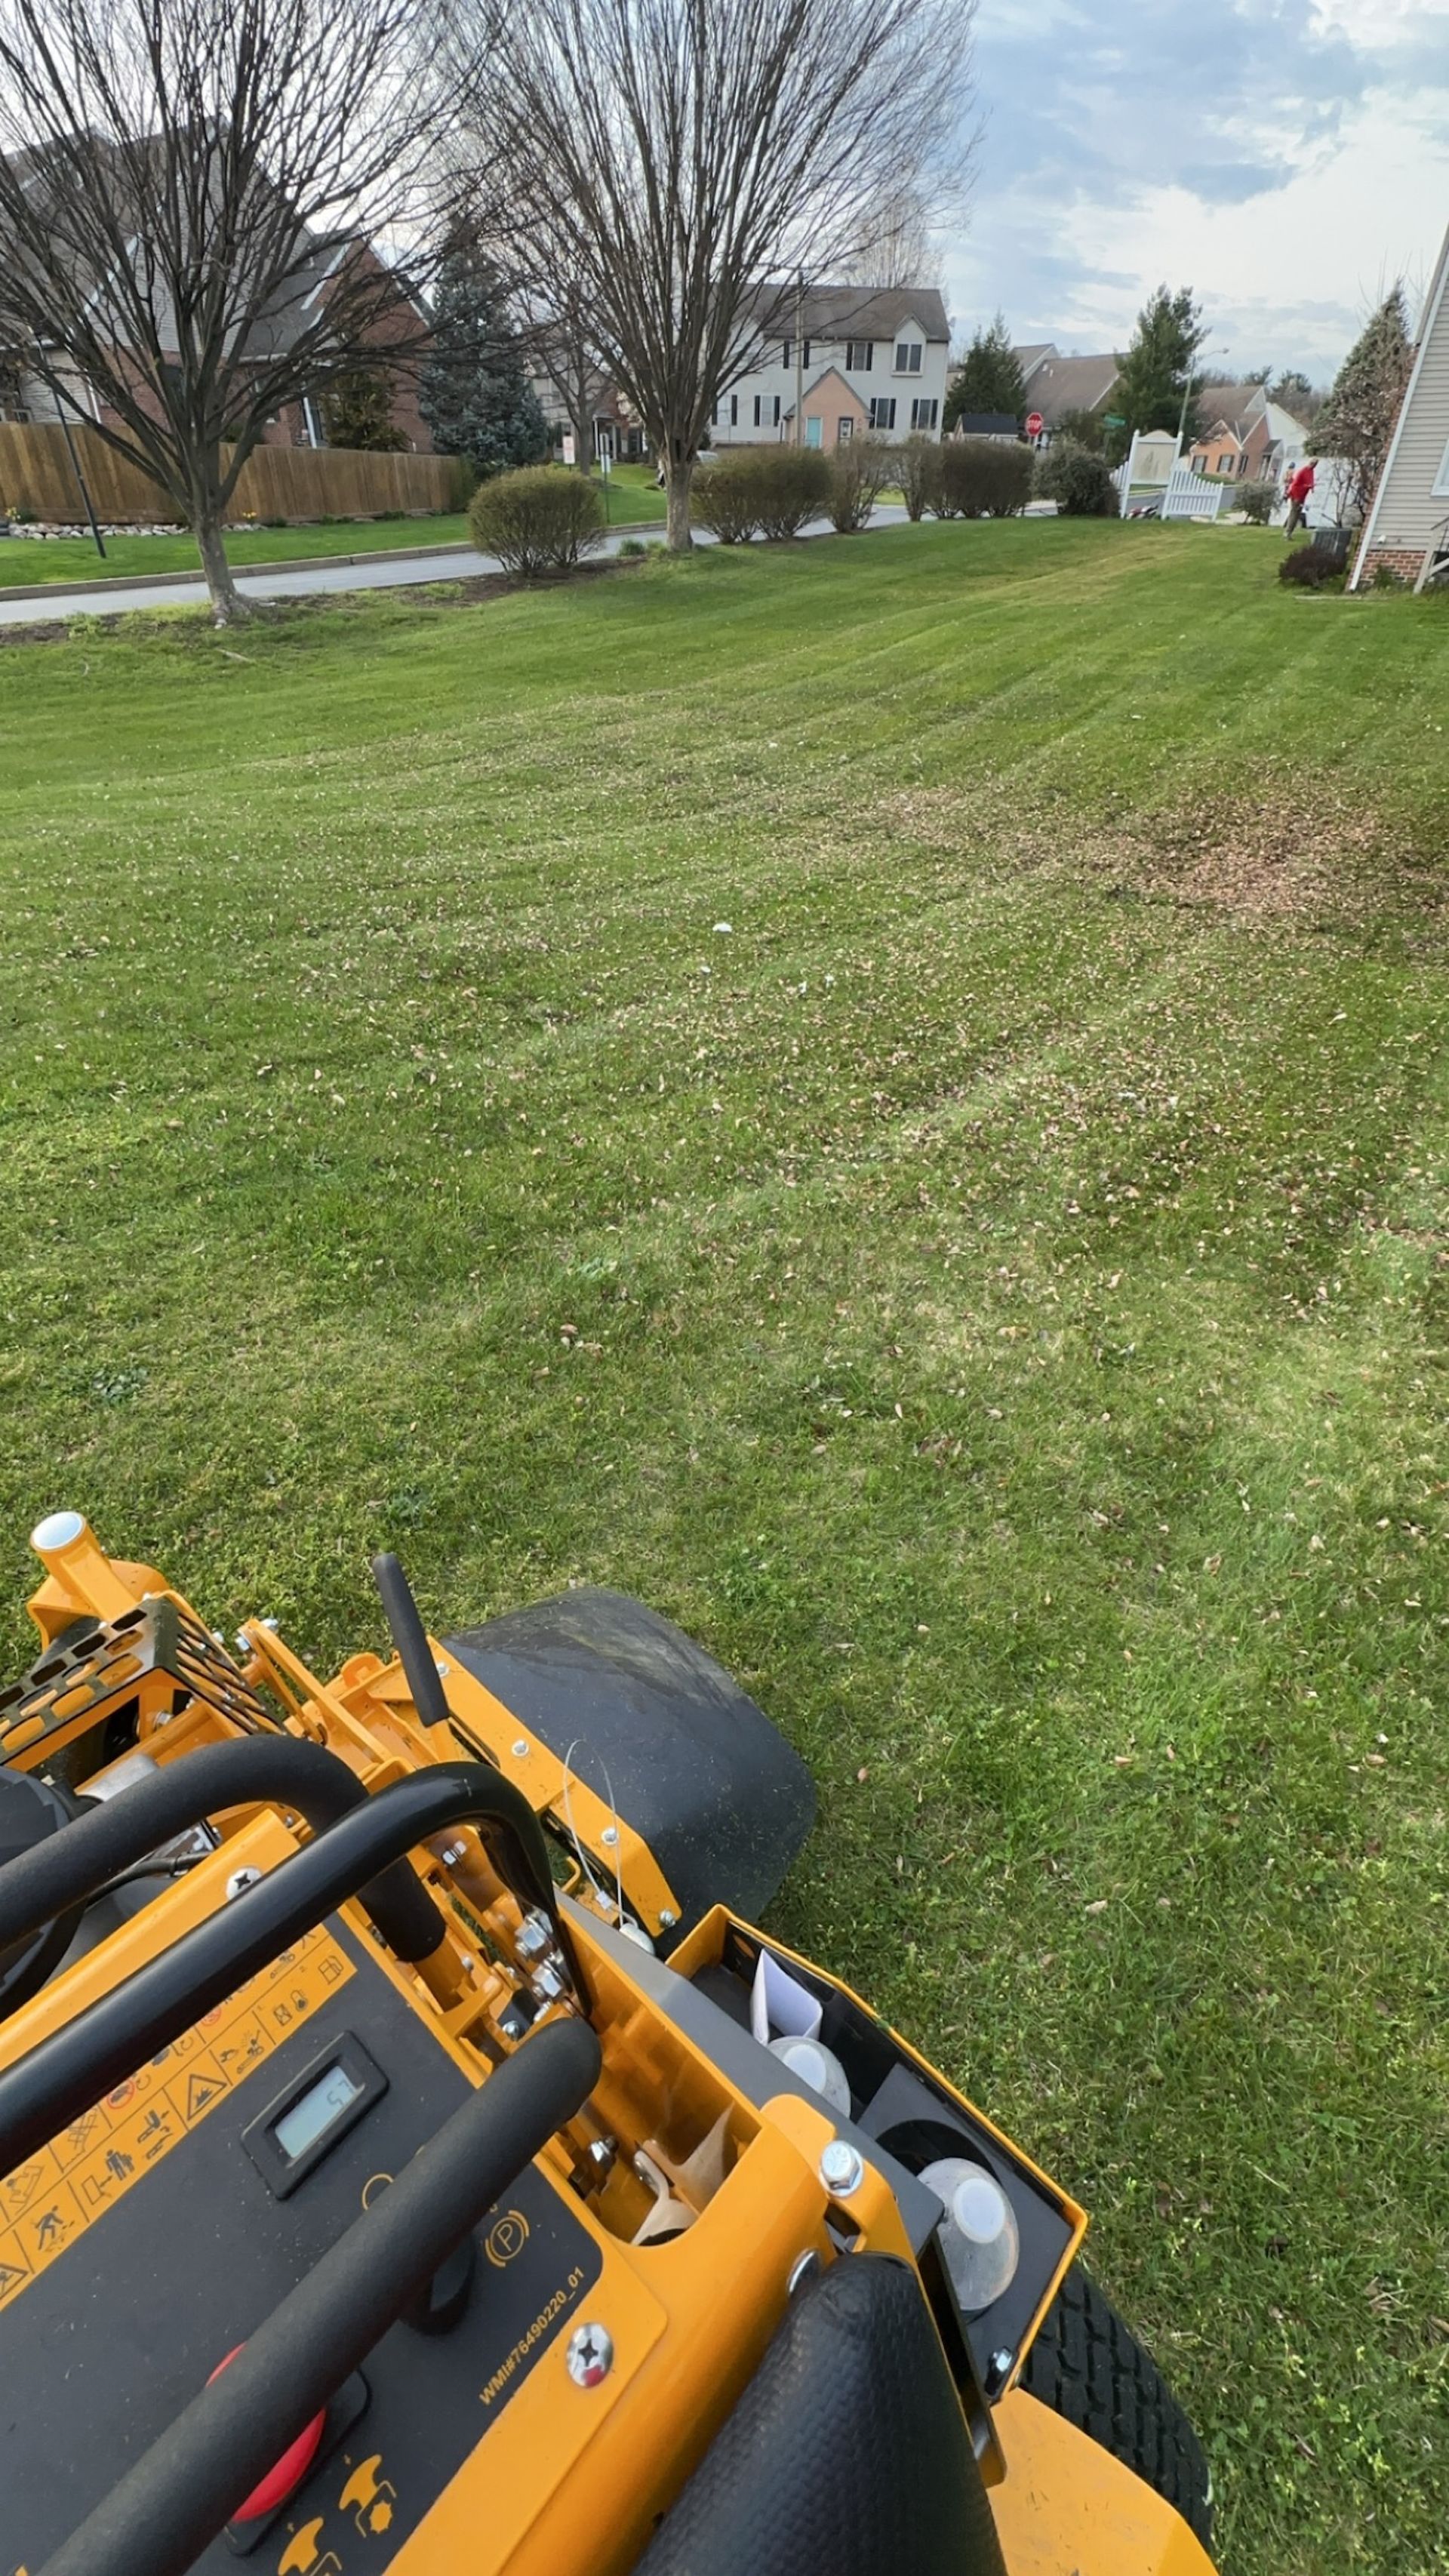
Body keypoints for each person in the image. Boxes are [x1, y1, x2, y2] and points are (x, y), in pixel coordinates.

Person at [1284, 458, 1316, 537]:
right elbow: (1295, 484)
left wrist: (1311, 487)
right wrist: (1306, 486)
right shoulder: (1303, 471)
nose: (1314, 466)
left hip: (1302, 496)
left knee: (1297, 514)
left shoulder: (1311, 471)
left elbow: (1310, 481)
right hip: (1296, 495)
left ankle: (1290, 532)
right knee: (1294, 513)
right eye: (1314, 464)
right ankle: (1288, 532)